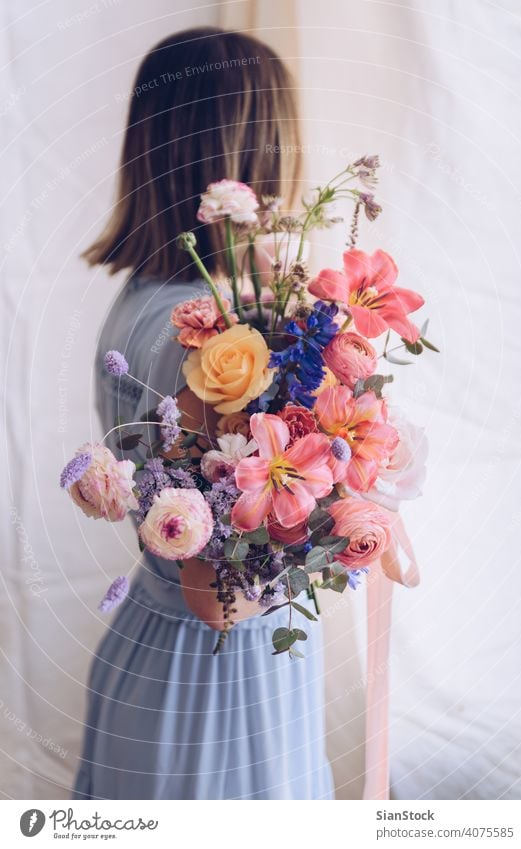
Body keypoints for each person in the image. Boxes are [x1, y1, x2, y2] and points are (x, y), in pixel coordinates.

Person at [72, 26, 334, 801]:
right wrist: (330, 519)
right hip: (220, 699)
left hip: (152, 665)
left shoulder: (142, 309)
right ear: (259, 157)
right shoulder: (209, 346)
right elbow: (222, 595)